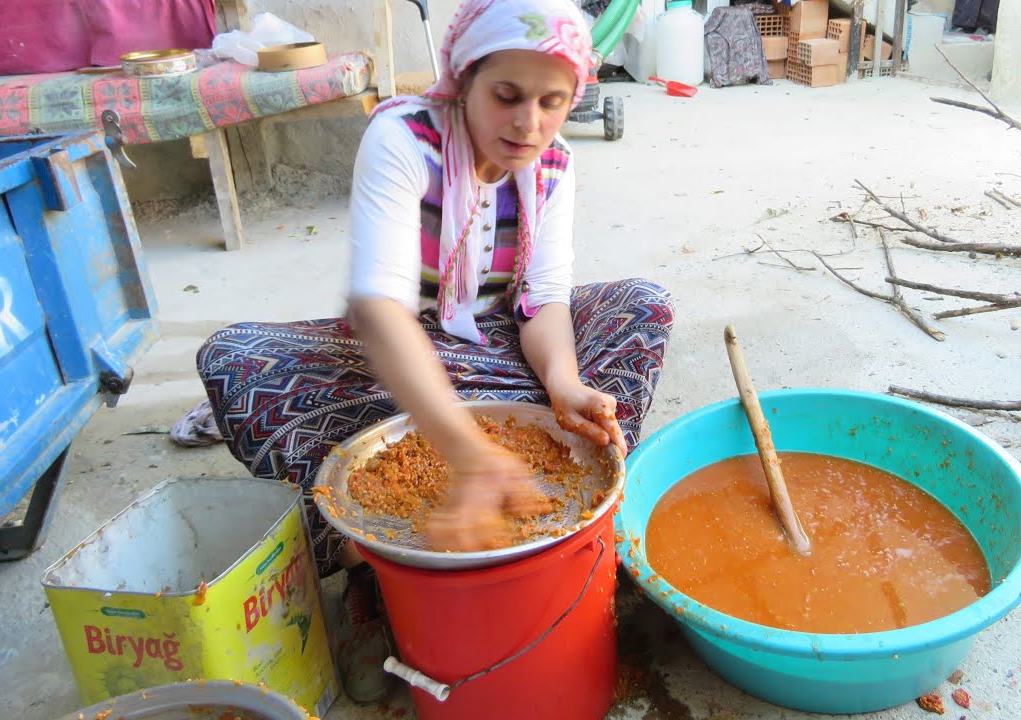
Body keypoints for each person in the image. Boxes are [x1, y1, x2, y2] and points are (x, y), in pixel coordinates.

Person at [185, 0, 674, 703]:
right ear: (464, 78)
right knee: (234, 360)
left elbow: (541, 300)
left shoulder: (555, 163)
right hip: (394, 347)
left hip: (501, 346)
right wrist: (471, 448)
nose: (528, 124)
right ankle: (370, 574)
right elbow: (378, 310)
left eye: (552, 102)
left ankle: (541, 523)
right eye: (506, 96)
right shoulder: (403, 138)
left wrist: (563, 384)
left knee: (641, 306)